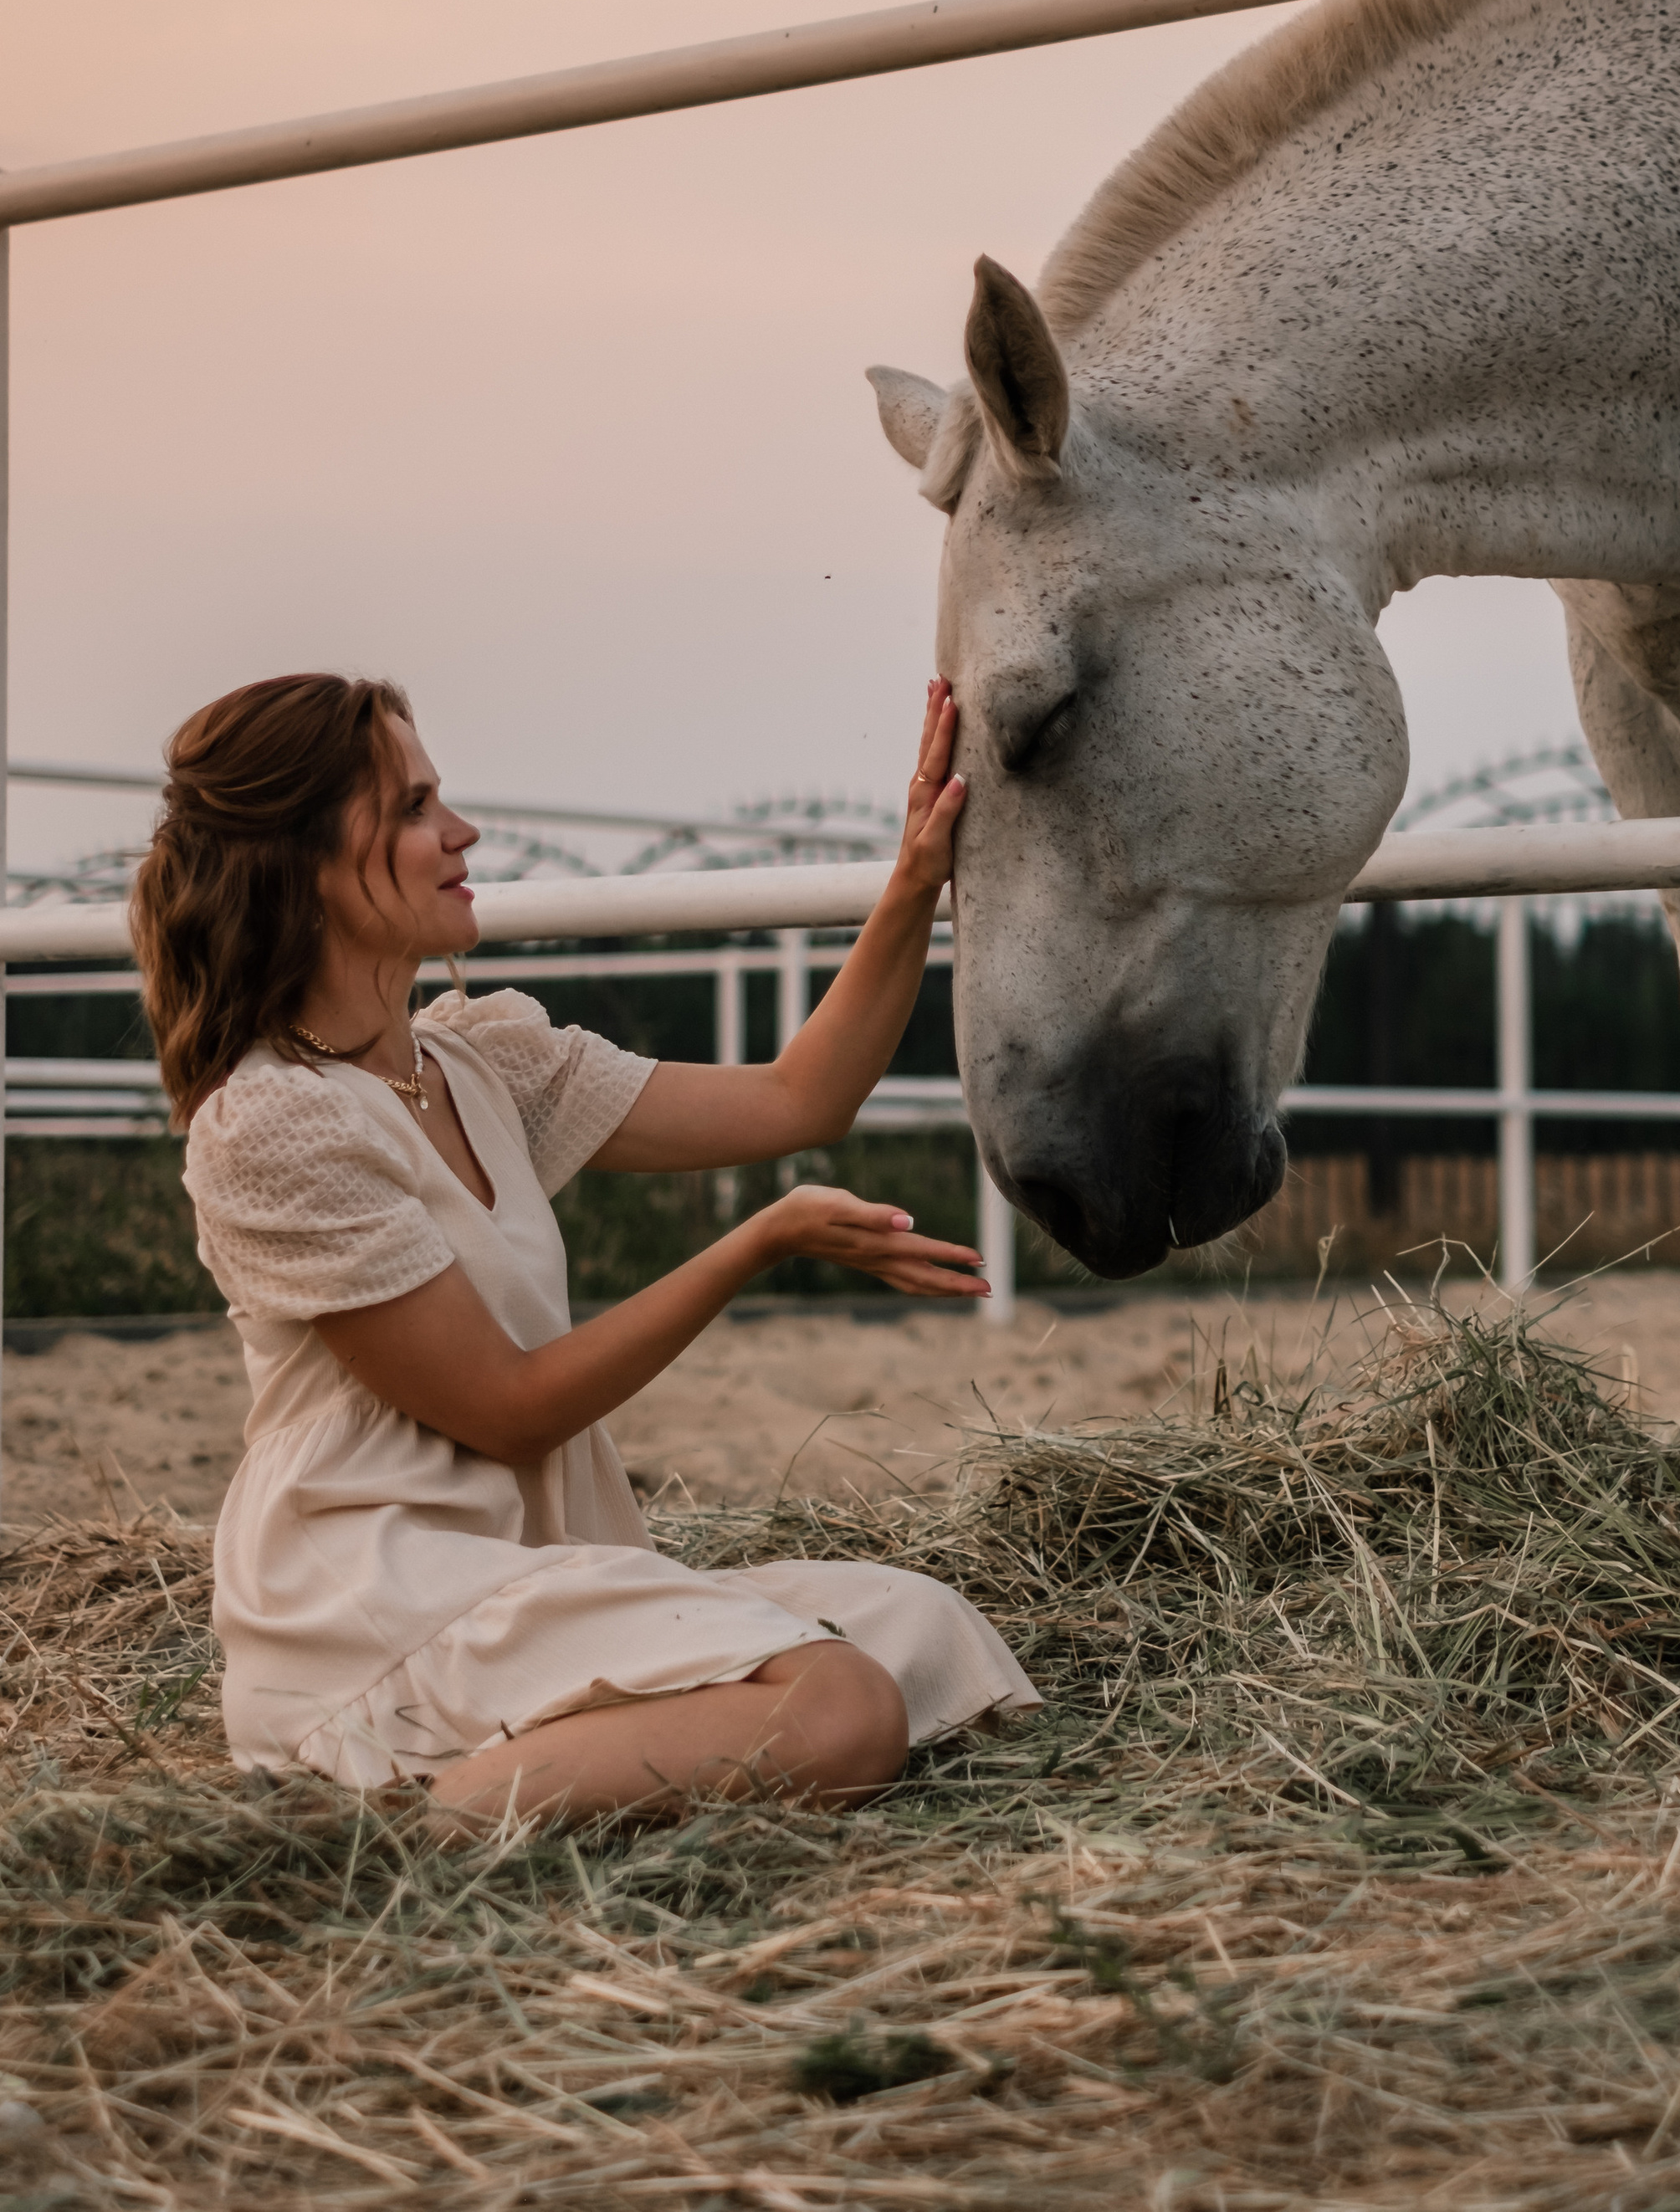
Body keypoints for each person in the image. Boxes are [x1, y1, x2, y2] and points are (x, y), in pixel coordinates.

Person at [136, 669, 1037, 1831]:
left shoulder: (478, 1064)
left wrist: (916, 877)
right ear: (303, 860)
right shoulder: (272, 1123)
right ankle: (398, 1842)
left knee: (929, 1630)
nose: (459, 832)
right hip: (384, 1593)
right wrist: (753, 1247)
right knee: (843, 1709)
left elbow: (797, 1098)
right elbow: (508, 1410)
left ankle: (522, 1776)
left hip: (531, 1572)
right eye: (411, 810)